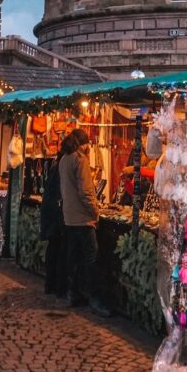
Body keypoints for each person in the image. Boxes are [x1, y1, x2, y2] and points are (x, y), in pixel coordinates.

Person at [58, 129, 112, 317]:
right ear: (84, 144)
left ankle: (73, 293)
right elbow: (86, 192)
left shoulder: (64, 159)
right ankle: (95, 300)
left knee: (73, 259)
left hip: (69, 218)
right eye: (88, 144)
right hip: (83, 219)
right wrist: (95, 212)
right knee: (90, 260)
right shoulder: (80, 160)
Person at [39, 148, 67, 301]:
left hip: (52, 213)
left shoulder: (56, 166)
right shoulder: (60, 168)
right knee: (57, 249)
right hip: (56, 215)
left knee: (53, 248)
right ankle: (55, 285)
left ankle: (50, 283)